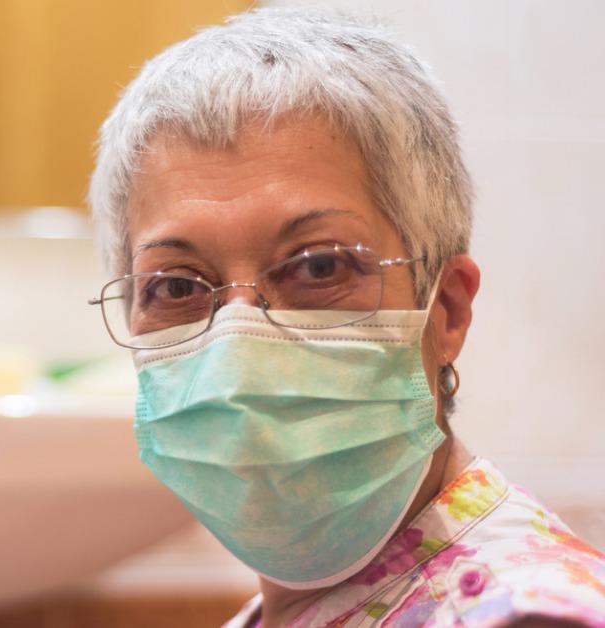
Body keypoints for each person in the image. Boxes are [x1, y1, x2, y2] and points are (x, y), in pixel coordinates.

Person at [87, 8, 605, 627]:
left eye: (319, 268)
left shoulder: (519, 613)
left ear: (446, 310)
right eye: (176, 285)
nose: (237, 351)